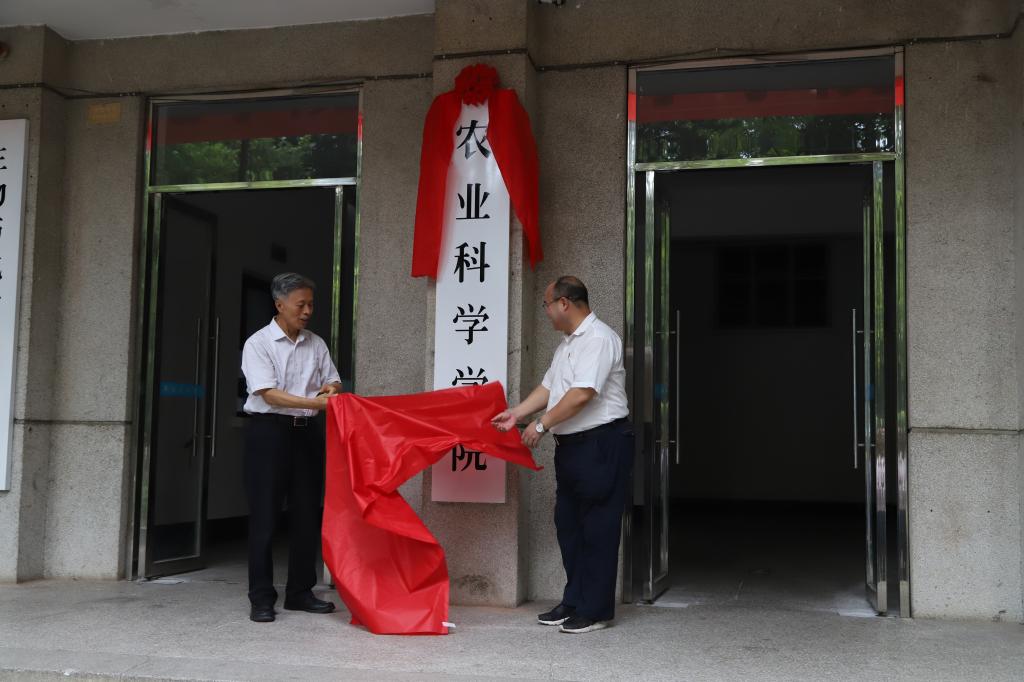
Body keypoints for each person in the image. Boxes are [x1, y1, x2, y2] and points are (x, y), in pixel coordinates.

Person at [492, 275, 633, 634]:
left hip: (601, 444)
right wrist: (517, 413)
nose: (546, 311)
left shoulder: (598, 339)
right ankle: (575, 600)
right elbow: (550, 387)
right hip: (572, 448)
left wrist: (541, 425)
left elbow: (582, 394)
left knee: (597, 528)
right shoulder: (568, 344)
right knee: (569, 525)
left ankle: (595, 611)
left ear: (564, 303)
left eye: (547, 304)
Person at [240, 272, 341, 623]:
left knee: (306, 514)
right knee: (265, 516)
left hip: (306, 435)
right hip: (268, 434)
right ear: (279, 304)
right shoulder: (258, 343)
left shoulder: (316, 343)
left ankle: (300, 592)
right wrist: (317, 404)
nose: (308, 311)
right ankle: (261, 598)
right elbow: (268, 393)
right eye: (301, 305)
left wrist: (331, 390)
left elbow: (332, 379)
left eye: (311, 304)